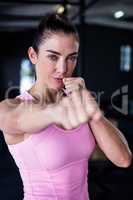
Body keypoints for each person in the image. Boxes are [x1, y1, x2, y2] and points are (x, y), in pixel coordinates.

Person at [0, 13, 132, 200]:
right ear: (33, 55)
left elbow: (123, 159)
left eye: (71, 58)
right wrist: (58, 111)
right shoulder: (11, 107)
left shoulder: (78, 102)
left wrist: (93, 113)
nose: (63, 68)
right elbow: (21, 119)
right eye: (53, 57)